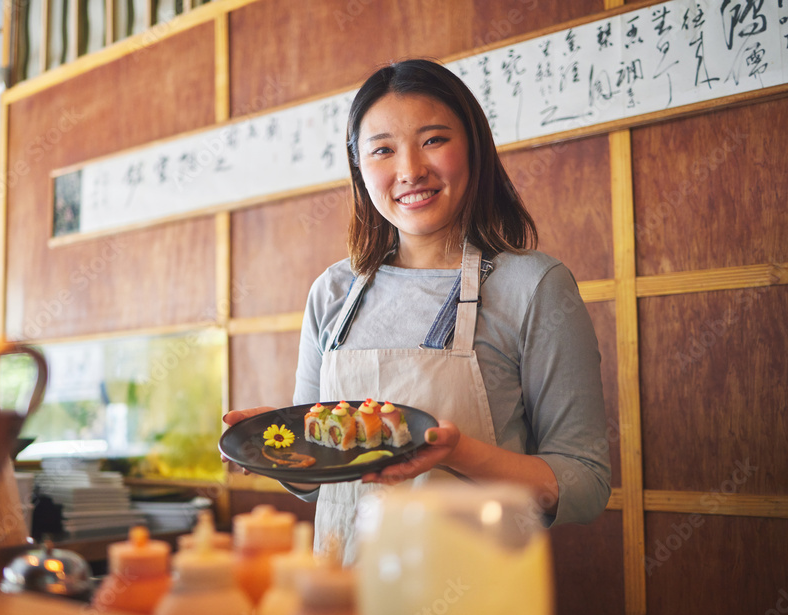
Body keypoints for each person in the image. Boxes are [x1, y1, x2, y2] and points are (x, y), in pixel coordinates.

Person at [223, 58, 610, 564]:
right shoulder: (332, 292)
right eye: (383, 149)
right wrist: (276, 455)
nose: (409, 171)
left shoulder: (534, 286)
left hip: (470, 608)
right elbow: (320, 484)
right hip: (341, 604)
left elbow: (585, 482)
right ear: (359, 166)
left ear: (473, 145)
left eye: (433, 140)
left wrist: (459, 453)